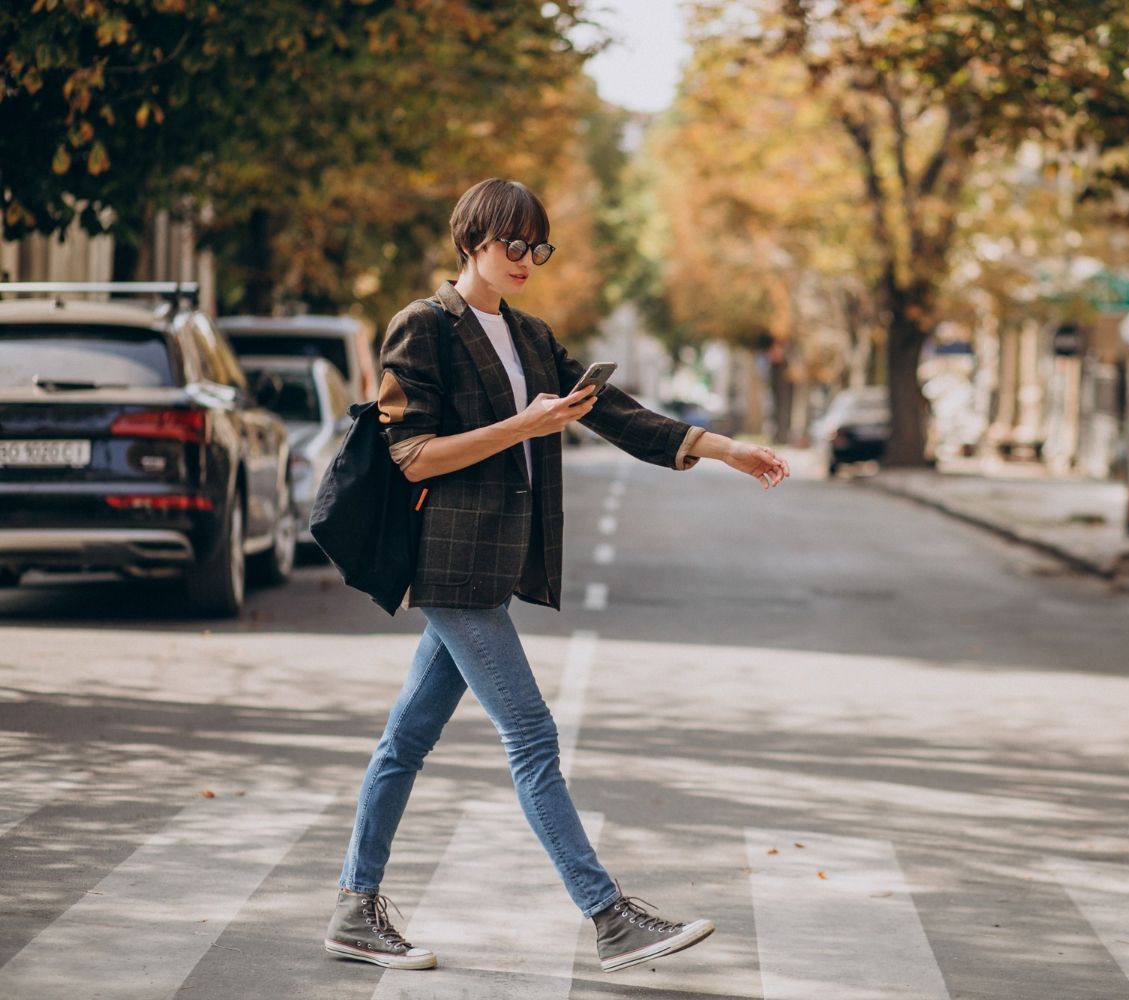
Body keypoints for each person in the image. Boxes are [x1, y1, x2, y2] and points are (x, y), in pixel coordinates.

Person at [323, 179, 791, 975]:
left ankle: (353, 908)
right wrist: (523, 426)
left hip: (492, 567)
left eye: (539, 247)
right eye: (515, 245)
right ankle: (609, 918)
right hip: (449, 568)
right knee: (533, 736)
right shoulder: (422, 327)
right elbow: (410, 455)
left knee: (406, 740)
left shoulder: (533, 337)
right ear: (473, 239)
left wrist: (725, 449)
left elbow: (620, 415)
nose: (527, 260)